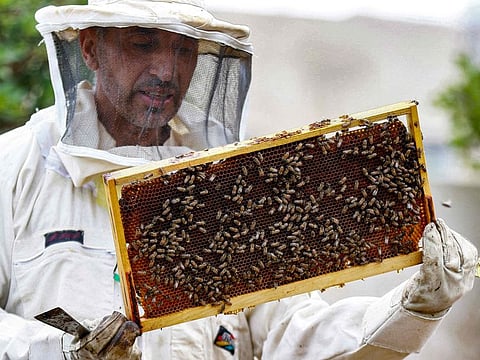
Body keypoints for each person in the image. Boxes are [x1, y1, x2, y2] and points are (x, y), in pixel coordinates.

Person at [0, 1, 477, 359]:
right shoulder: (16, 167)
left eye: (184, 51)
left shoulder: (223, 185)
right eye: (142, 44)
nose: (166, 71)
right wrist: (55, 350)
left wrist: (414, 307)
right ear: (89, 48)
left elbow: (293, 332)